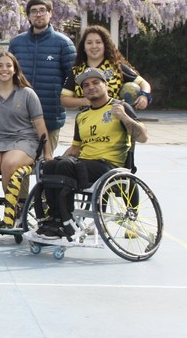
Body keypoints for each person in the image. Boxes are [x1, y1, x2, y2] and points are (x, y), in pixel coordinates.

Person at [36, 67, 147, 239]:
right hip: (83, 165)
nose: (90, 87)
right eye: (86, 85)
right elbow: (75, 148)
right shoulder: (82, 116)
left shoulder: (120, 107)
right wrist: (55, 159)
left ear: (105, 84)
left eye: (96, 82)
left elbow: (143, 137)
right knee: (51, 166)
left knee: (65, 166)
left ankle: (63, 221)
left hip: (109, 167)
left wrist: (124, 117)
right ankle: (53, 219)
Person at [0, 52, 52, 228]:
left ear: (15, 70)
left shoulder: (27, 94)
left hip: (25, 140)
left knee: (9, 163)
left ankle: (12, 212)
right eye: (0, 66)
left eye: (8, 65)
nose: (4, 69)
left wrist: (47, 153)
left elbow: (39, 124)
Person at [8, 0, 76, 151]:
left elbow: (73, 78)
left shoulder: (63, 43)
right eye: (33, 11)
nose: (38, 15)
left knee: (45, 167)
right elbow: (6, 77)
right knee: (18, 168)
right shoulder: (16, 44)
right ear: (28, 16)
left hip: (50, 116)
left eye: (42, 10)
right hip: (20, 118)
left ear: (50, 13)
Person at [61, 24, 152, 110]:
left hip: (115, 120)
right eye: (89, 43)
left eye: (98, 42)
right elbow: (64, 99)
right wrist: (84, 101)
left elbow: (144, 83)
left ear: (105, 45)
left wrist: (144, 96)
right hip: (87, 121)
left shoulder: (116, 67)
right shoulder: (77, 71)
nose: (94, 46)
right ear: (83, 47)